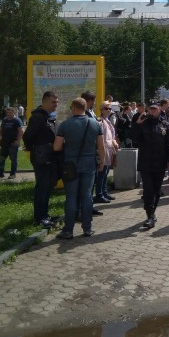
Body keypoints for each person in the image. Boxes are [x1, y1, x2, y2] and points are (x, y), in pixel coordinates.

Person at [53, 98, 105, 239]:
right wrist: (102, 161)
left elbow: (56, 147)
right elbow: (101, 146)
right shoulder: (95, 123)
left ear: (74, 108)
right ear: (85, 108)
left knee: (71, 197)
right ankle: (87, 229)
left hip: (70, 165)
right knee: (87, 195)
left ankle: (68, 230)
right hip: (89, 164)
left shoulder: (65, 125)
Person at [131, 103, 169, 229]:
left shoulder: (164, 124)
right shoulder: (142, 123)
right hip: (145, 162)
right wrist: (137, 123)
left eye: (155, 109)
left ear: (159, 110)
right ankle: (150, 215)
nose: (152, 112)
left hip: (160, 163)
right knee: (148, 190)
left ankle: (152, 212)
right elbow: (133, 138)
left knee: (156, 190)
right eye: (150, 109)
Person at [23, 91, 60, 229]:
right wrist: (33, 148)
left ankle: (45, 215)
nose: (56, 104)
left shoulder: (49, 117)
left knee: (48, 186)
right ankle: (39, 218)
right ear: (44, 102)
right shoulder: (38, 117)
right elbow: (27, 136)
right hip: (41, 158)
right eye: (53, 102)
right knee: (42, 187)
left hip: (50, 157)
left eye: (57, 102)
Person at [94, 102, 118, 203]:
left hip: (109, 149)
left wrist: (114, 142)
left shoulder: (107, 121)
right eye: (106, 108)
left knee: (106, 172)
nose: (109, 110)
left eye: (110, 108)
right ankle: (99, 194)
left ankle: (104, 192)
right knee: (102, 173)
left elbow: (111, 136)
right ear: (102, 109)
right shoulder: (100, 121)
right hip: (104, 149)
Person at [0, 107, 24, 180]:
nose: (8, 114)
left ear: (14, 113)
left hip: (12, 143)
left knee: (13, 159)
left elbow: (21, 131)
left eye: (10, 112)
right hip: (4, 143)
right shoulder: (5, 120)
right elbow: (0, 129)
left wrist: (18, 141)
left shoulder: (17, 120)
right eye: (7, 113)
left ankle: (13, 174)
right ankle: (0, 173)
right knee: (1, 158)